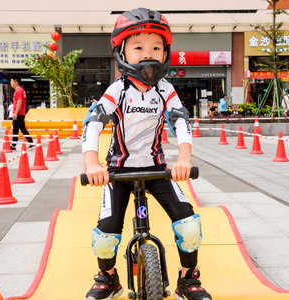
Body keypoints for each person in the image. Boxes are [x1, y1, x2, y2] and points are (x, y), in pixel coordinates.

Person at [82, 8, 211, 300]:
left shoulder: (165, 89)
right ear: (122, 52)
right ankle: (108, 277)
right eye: (138, 47)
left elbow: (180, 120)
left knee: (188, 224)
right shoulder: (118, 90)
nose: (147, 53)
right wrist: (92, 164)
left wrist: (184, 159)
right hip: (118, 172)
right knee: (106, 236)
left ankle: (188, 278)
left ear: (165, 53)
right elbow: (93, 124)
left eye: (156, 47)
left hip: (157, 170)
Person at [10, 75, 33, 150]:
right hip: (21, 113)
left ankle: (13, 144)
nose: (11, 83)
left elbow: (19, 102)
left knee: (15, 129)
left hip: (18, 113)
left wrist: (15, 113)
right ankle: (31, 142)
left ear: (16, 82)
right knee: (22, 129)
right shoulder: (21, 90)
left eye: (12, 82)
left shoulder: (18, 91)